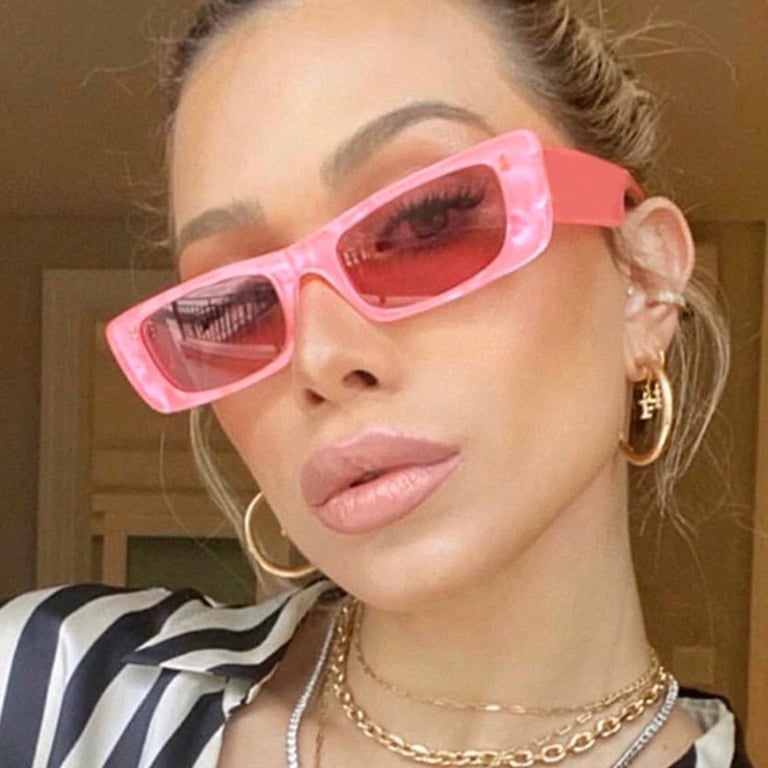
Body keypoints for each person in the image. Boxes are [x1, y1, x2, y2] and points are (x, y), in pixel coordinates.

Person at [0, 1, 754, 766]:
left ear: (643, 282)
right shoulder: (46, 689)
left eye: (428, 223)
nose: (320, 358)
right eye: (233, 307)